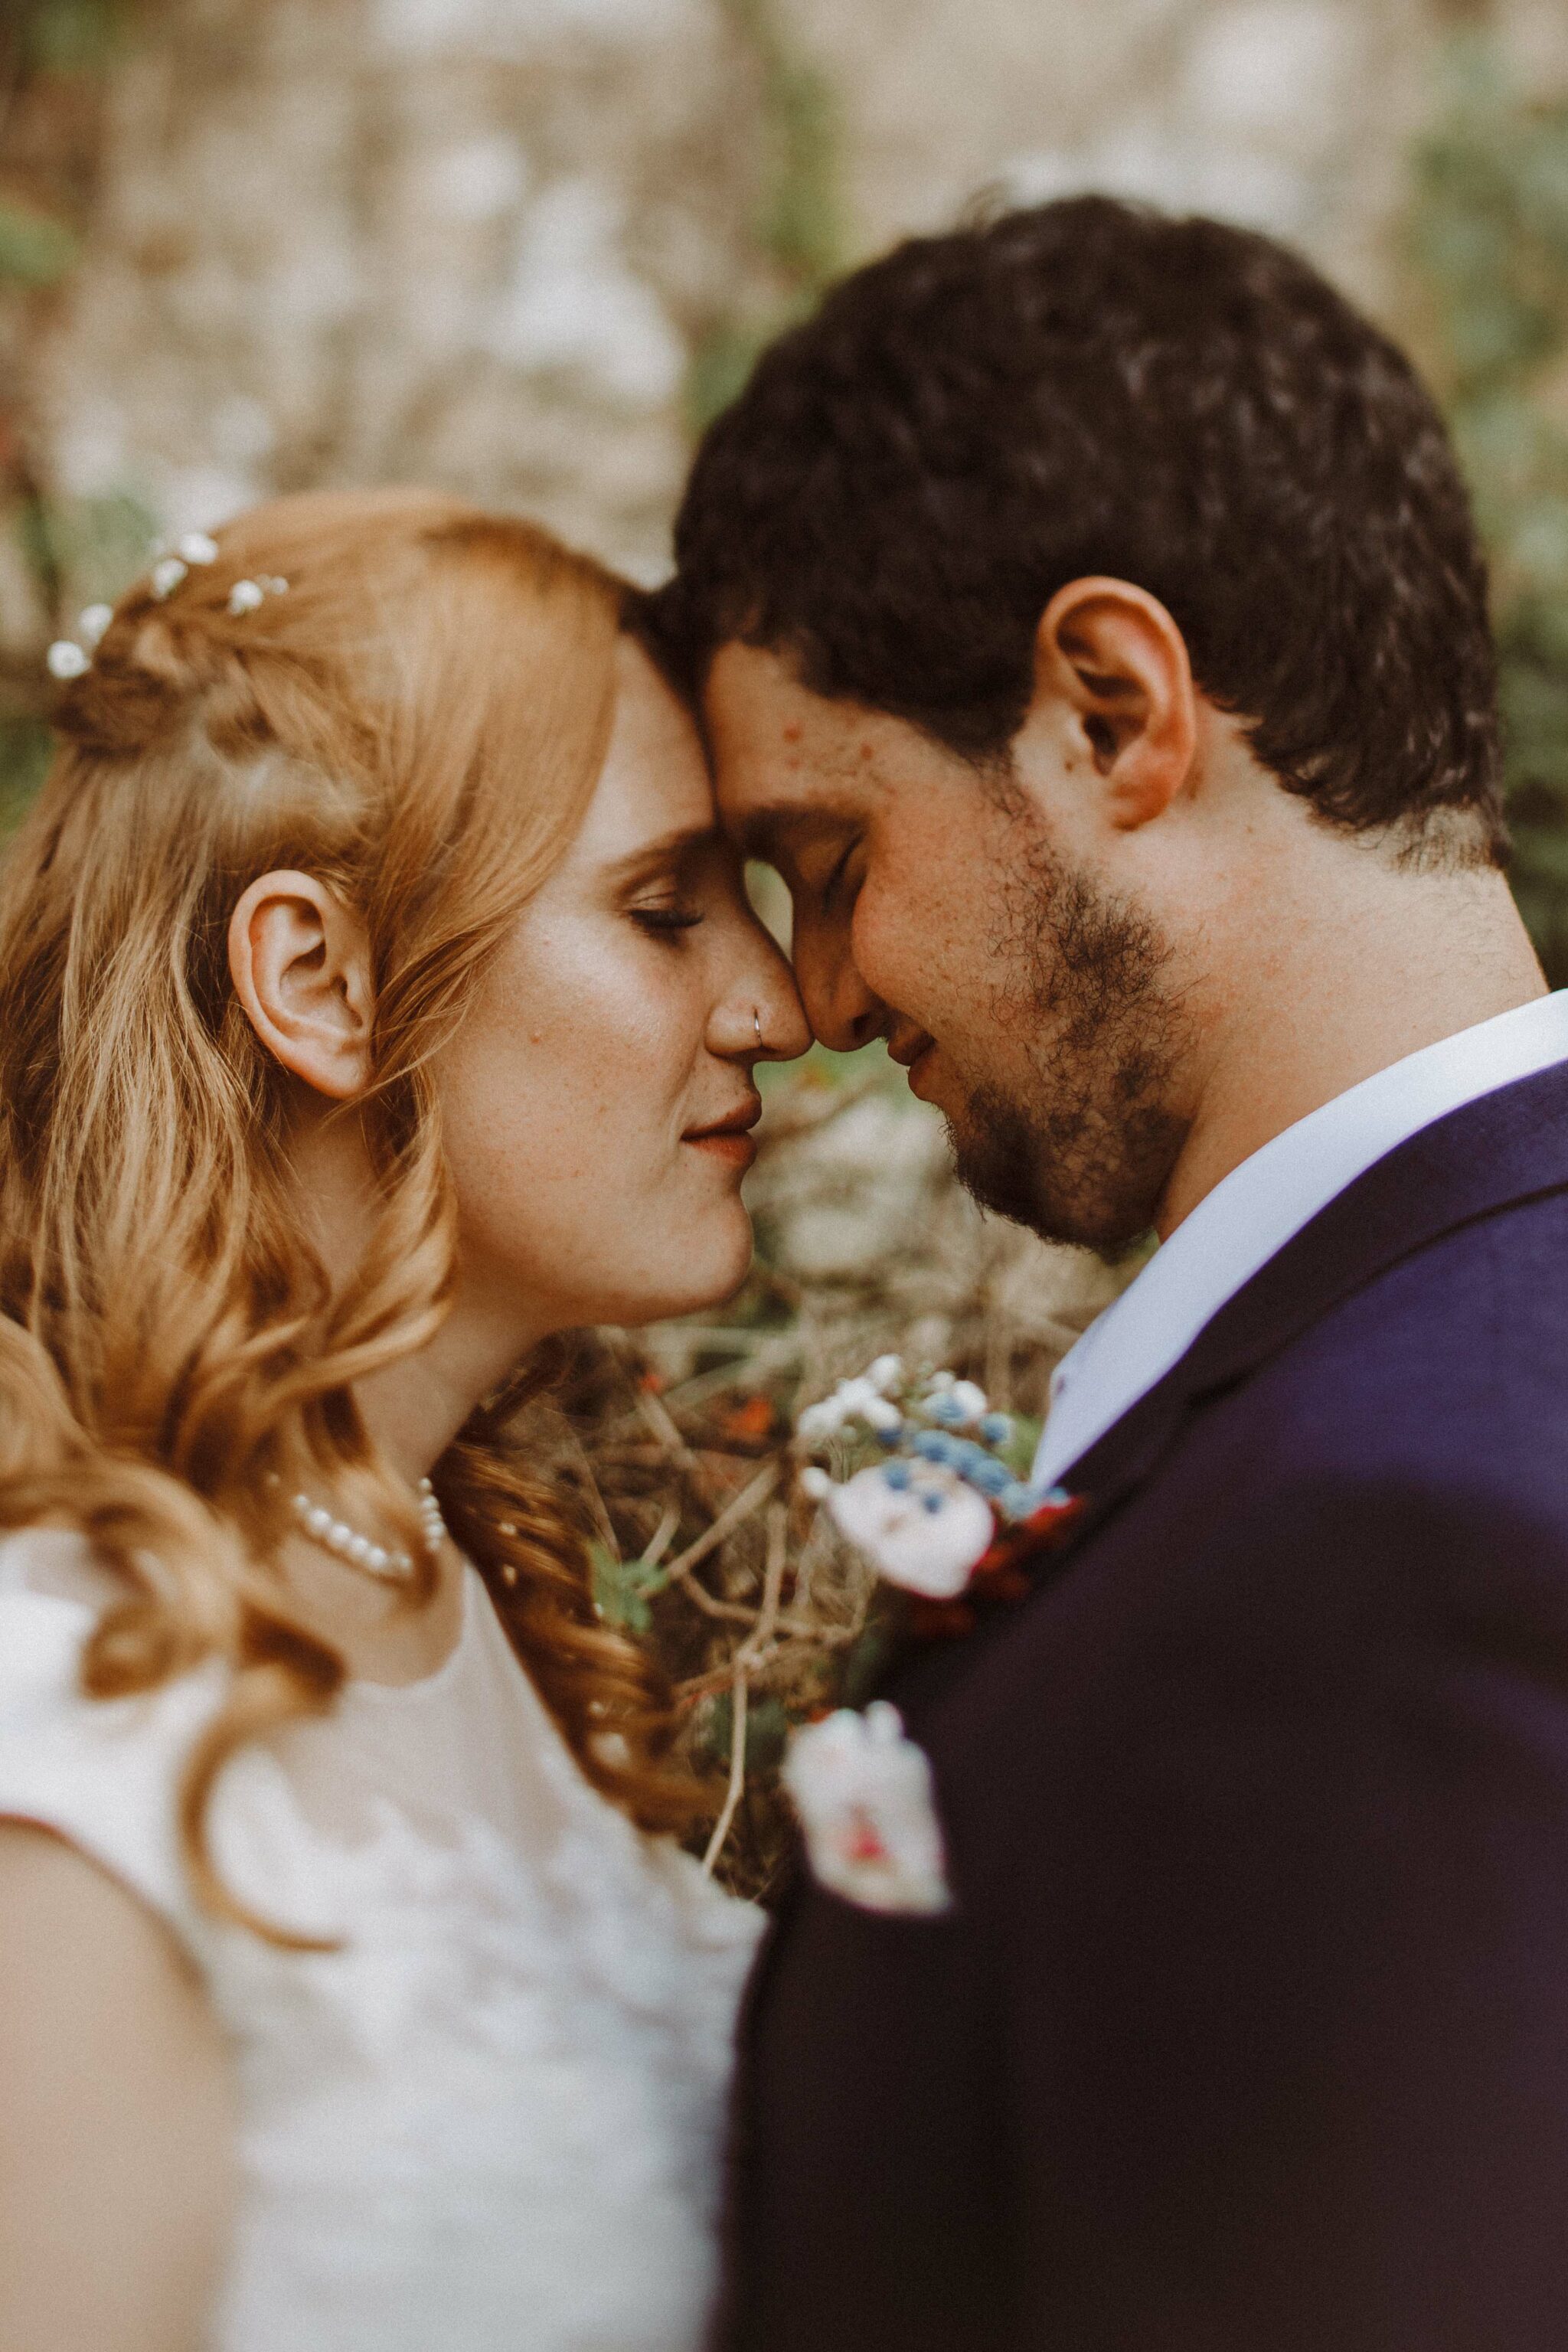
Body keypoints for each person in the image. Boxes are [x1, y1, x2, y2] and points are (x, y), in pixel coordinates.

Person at [653, 197, 1568, 2348]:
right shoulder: (1409, 1384)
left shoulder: (1392, 1544)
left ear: (1108, 710)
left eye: (825, 861)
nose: (811, 998)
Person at [0, 487, 809, 2352]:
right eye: (663, 909)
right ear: (321, 983)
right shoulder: (73, 1720)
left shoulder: (451, 1590)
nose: (772, 1005)